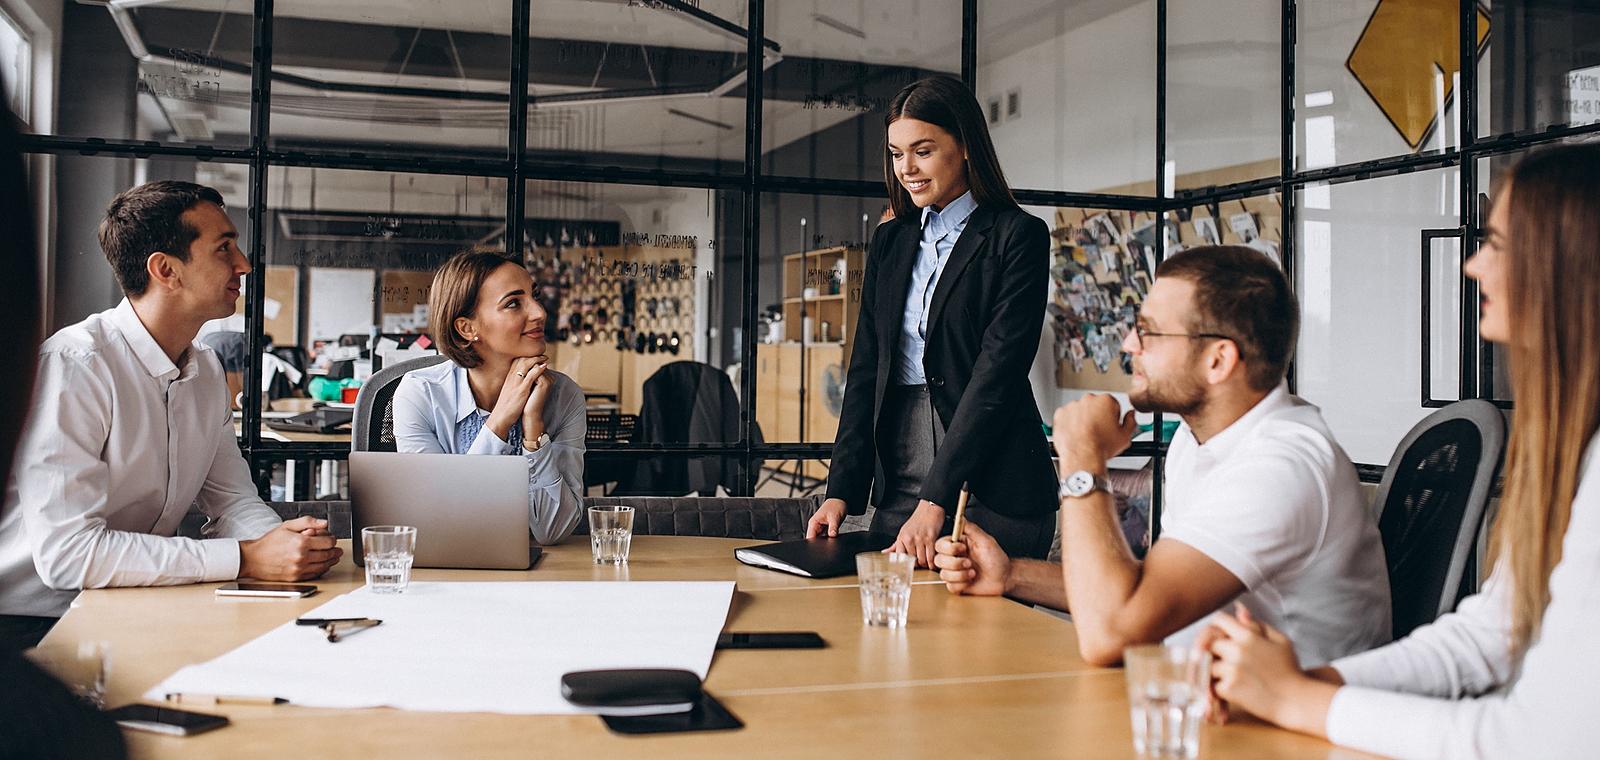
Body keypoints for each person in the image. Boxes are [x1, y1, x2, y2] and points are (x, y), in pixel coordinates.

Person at [1201, 144, 1600, 759]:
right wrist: (1297, 685)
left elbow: (1539, 743)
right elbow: (1486, 638)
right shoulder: (1572, 446)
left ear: (1569, 266)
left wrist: (1296, 701)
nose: (1473, 265)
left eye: (1497, 244)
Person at [934, 245, 1390, 667]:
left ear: (1218, 360)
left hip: (1282, 721)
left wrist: (1083, 460)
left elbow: (1110, 633)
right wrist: (1011, 575)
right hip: (1199, 697)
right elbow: (1143, 593)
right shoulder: (1197, 439)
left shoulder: (1280, 467)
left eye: (1149, 332)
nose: (1129, 346)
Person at [0, 181, 340, 650]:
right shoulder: (77, 366)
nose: (244, 264)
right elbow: (69, 556)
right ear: (166, 270)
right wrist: (246, 558)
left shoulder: (206, 370)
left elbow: (232, 502)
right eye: (224, 248)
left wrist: (282, 544)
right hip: (30, 625)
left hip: (133, 603)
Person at [807, 75, 1057, 566]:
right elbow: (866, 368)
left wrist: (936, 498)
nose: (907, 168)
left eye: (922, 151)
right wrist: (841, 489)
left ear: (964, 146)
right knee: (887, 609)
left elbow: (997, 375)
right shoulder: (891, 240)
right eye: (896, 154)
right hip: (902, 467)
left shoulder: (1018, 236)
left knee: (975, 615)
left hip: (994, 478)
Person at [390, 250, 584, 545]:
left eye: (534, 296)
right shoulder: (420, 394)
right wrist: (500, 421)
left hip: (542, 568)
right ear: (467, 328)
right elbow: (444, 519)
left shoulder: (563, 395)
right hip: (446, 565)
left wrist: (534, 431)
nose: (539, 313)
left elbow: (553, 530)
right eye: (513, 303)